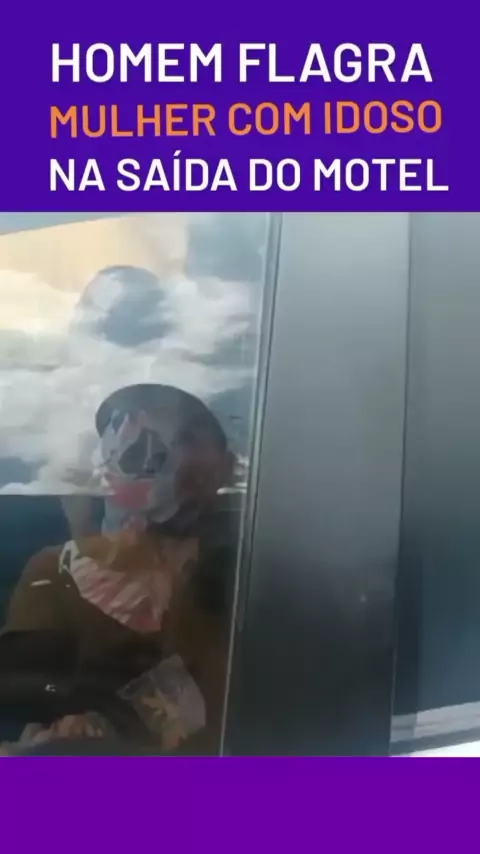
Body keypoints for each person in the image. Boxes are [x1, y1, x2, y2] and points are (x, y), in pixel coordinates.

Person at [0, 383, 234, 754]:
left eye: (183, 438)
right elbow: (24, 696)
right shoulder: (56, 570)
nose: (155, 460)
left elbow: (225, 681)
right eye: (129, 446)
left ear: (225, 466)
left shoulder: (247, 571)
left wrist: (111, 723)